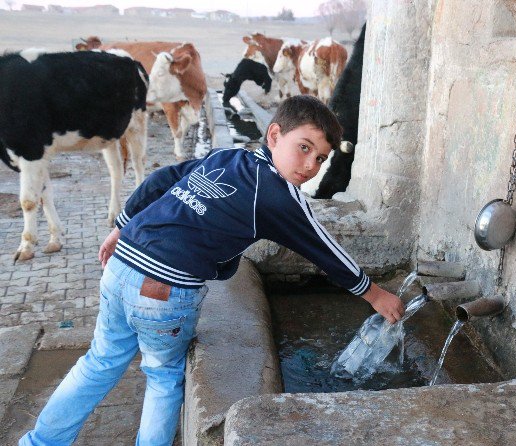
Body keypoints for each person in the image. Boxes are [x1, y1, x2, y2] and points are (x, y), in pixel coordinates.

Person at [20, 95, 405, 446]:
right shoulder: (276, 194)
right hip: (163, 290)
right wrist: (374, 293)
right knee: (163, 377)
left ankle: (38, 442)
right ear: (274, 135)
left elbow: (162, 179)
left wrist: (122, 224)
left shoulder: (228, 157)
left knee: (99, 362)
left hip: (121, 266)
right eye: (304, 148)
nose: (310, 165)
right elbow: (323, 248)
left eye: (321, 158)